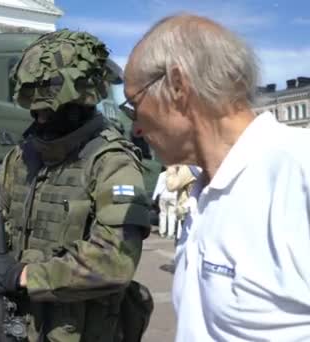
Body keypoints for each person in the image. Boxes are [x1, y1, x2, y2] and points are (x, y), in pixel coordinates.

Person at [123, 13, 310, 342]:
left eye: (134, 105)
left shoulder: (298, 172)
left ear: (178, 85)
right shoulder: (202, 192)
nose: (136, 127)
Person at [0, 29, 151, 341]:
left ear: (81, 102)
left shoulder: (111, 162)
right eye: (35, 111)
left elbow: (114, 262)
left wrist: (21, 276)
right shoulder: (22, 156)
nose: (41, 120)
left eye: (49, 111)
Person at [153, 167, 177, 239]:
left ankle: (162, 232)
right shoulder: (176, 175)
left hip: (163, 196)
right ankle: (170, 233)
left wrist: (154, 197)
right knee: (172, 215)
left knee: (163, 214)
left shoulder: (162, 174)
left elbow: (158, 186)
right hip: (173, 196)